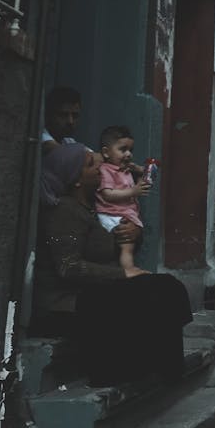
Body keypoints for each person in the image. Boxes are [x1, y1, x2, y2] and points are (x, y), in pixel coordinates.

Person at [34, 143, 192, 386]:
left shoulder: (93, 208)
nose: (100, 168)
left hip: (92, 292)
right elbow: (68, 267)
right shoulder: (64, 211)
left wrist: (133, 235)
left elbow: (106, 247)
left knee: (165, 287)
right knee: (156, 292)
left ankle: (164, 369)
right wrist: (123, 274)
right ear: (75, 180)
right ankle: (135, 372)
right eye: (90, 165)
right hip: (66, 304)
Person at [95, 125, 151, 273]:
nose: (128, 154)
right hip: (111, 214)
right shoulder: (105, 169)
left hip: (122, 213)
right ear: (106, 152)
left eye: (130, 150)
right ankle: (128, 268)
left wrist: (139, 170)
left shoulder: (123, 169)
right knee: (127, 245)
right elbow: (107, 194)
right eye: (122, 150)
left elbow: (141, 174)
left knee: (127, 243)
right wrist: (133, 191)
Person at [42, 86, 82, 153]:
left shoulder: (68, 141)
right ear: (49, 115)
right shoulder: (42, 137)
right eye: (63, 115)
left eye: (75, 115)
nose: (70, 121)